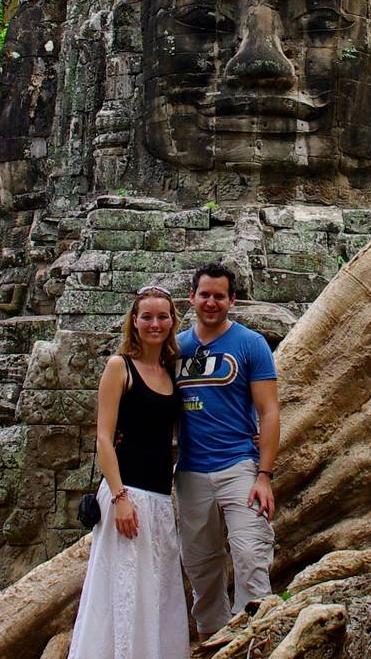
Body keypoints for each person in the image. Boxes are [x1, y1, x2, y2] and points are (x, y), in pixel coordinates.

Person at [67, 286, 188, 659]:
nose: (155, 324)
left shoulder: (172, 370)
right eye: (147, 317)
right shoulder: (120, 366)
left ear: (172, 322)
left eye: (162, 317)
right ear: (134, 322)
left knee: (158, 587)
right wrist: (119, 498)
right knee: (123, 589)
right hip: (126, 493)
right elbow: (103, 438)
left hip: (158, 497)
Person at [173, 262, 280, 637]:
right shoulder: (176, 348)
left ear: (232, 300)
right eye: (205, 295)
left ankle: (251, 638)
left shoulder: (251, 345)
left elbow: (268, 411)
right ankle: (213, 638)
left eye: (219, 296)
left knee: (250, 554)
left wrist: (264, 475)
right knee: (201, 566)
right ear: (192, 298)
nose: (211, 302)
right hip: (190, 472)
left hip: (239, 467)